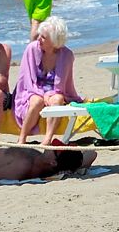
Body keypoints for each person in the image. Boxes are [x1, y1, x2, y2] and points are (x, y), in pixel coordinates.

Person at [13, 17, 81, 145]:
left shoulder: (66, 55)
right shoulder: (32, 49)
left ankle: (47, 139)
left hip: (54, 91)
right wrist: (41, 94)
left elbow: (61, 85)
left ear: (54, 41)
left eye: (43, 37)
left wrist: (48, 95)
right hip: (31, 89)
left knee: (58, 100)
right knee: (36, 101)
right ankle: (22, 137)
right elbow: (26, 80)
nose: (39, 39)